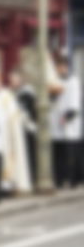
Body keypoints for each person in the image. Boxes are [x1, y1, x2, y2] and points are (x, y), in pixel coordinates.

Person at [0, 71, 32, 196]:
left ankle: (8, 186)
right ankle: (0, 186)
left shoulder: (5, 95)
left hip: (6, 134)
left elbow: (13, 114)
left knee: (8, 160)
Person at [50, 57, 82, 188]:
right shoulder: (55, 82)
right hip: (56, 123)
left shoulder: (73, 81)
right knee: (58, 155)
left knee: (71, 155)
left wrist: (68, 116)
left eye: (62, 67)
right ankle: (59, 179)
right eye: (58, 67)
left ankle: (73, 179)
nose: (60, 69)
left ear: (66, 67)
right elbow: (51, 99)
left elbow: (75, 103)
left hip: (69, 124)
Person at [10, 70, 38, 189]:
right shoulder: (15, 92)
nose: (12, 82)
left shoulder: (27, 93)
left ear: (20, 79)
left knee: (29, 153)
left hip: (27, 128)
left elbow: (27, 111)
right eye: (11, 79)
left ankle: (31, 178)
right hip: (19, 128)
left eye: (14, 79)